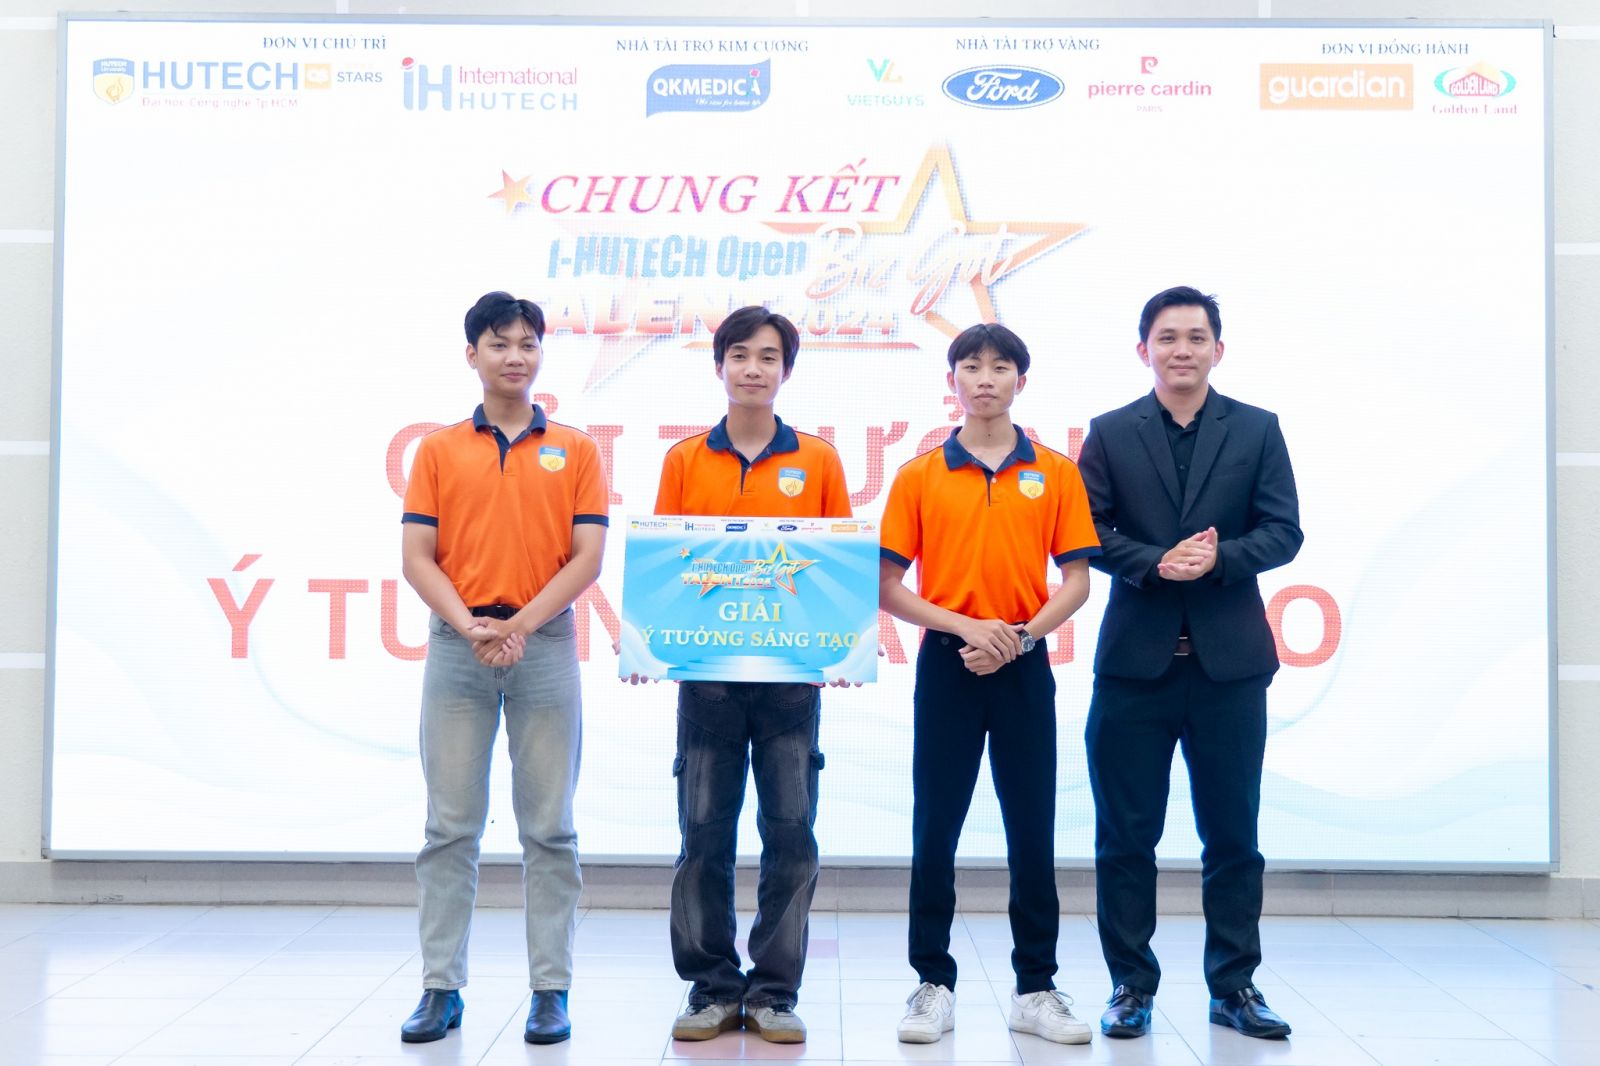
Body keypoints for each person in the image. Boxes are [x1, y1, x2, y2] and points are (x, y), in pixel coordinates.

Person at [1076, 286, 1303, 1041]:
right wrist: (1153, 562)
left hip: (1228, 670)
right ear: (1143, 349)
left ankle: (1234, 987)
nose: (1182, 349)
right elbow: (1088, 531)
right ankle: (1130, 986)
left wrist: (1218, 560)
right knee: (1125, 838)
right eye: (1167, 337)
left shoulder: (1257, 428)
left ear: (1218, 349)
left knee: (1233, 836)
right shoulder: (1110, 432)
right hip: (1134, 669)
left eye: (1196, 337)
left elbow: (1284, 531)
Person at [878, 323, 1100, 1046]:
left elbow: (1077, 581)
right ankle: (931, 985)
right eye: (970, 367)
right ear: (953, 380)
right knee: (935, 826)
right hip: (949, 661)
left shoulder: (1055, 471)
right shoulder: (919, 474)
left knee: (1031, 825)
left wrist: (1019, 639)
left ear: (1019, 381)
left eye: (999, 367)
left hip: (1023, 662)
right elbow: (887, 585)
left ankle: (1036, 987)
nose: (984, 379)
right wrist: (968, 629)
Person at [397, 292, 608, 1045]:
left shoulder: (577, 449)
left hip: (542, 646)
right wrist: (473, 627)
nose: (515, 357)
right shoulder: (438, 450)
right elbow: (417, 557)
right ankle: (439, 988)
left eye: (527, 344)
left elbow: (587, 558)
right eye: (499, 344)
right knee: (449, 828)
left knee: (550, 830)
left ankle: (551, 991)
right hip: (459, 648)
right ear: (472, 355)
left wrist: (518, 626)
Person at [652, 306, 851, 1045]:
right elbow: (665, 564)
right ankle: (710, 987)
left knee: (791, 835)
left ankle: (773, 992)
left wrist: (842, 646)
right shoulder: (684, 460)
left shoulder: (820, 460)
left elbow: (837, 567)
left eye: (769, 356)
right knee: (703, 834)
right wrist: (651, 645)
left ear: (786, 370)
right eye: (740, 355)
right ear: (719, 366)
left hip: (791, 681)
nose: (753, 369)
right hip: (706, 680)